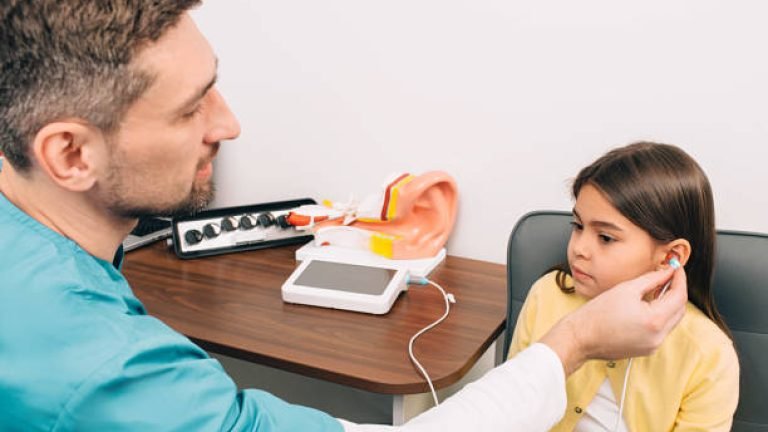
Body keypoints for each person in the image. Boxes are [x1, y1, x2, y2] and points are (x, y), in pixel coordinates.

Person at [0, 2, 688, 431]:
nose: (230, 124)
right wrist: (572, 345)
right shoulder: (98, 369)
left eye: (216, 87)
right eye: (190, 108)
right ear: (69, 153)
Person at [507, 142, 739, 431]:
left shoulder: (709, 355)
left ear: (671, 257)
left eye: (605, 238)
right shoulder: (547, 295)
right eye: (577, 226)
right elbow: (510, 408)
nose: (579, 248)